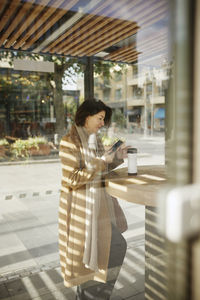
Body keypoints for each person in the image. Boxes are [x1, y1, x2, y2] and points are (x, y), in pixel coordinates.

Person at [59, 99, 127, 300]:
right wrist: (101, 161)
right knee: (98, 254)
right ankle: (91, 296)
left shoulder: (94, 140)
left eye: (103, 119)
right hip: (82, 209)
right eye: (99, 118)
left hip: (99, 207)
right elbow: (72, 178)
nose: (102, 123)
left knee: (105, 251)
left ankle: (92, 295)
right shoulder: (69, 141)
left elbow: (100, 169)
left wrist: (117, 157)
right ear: (86, 116)